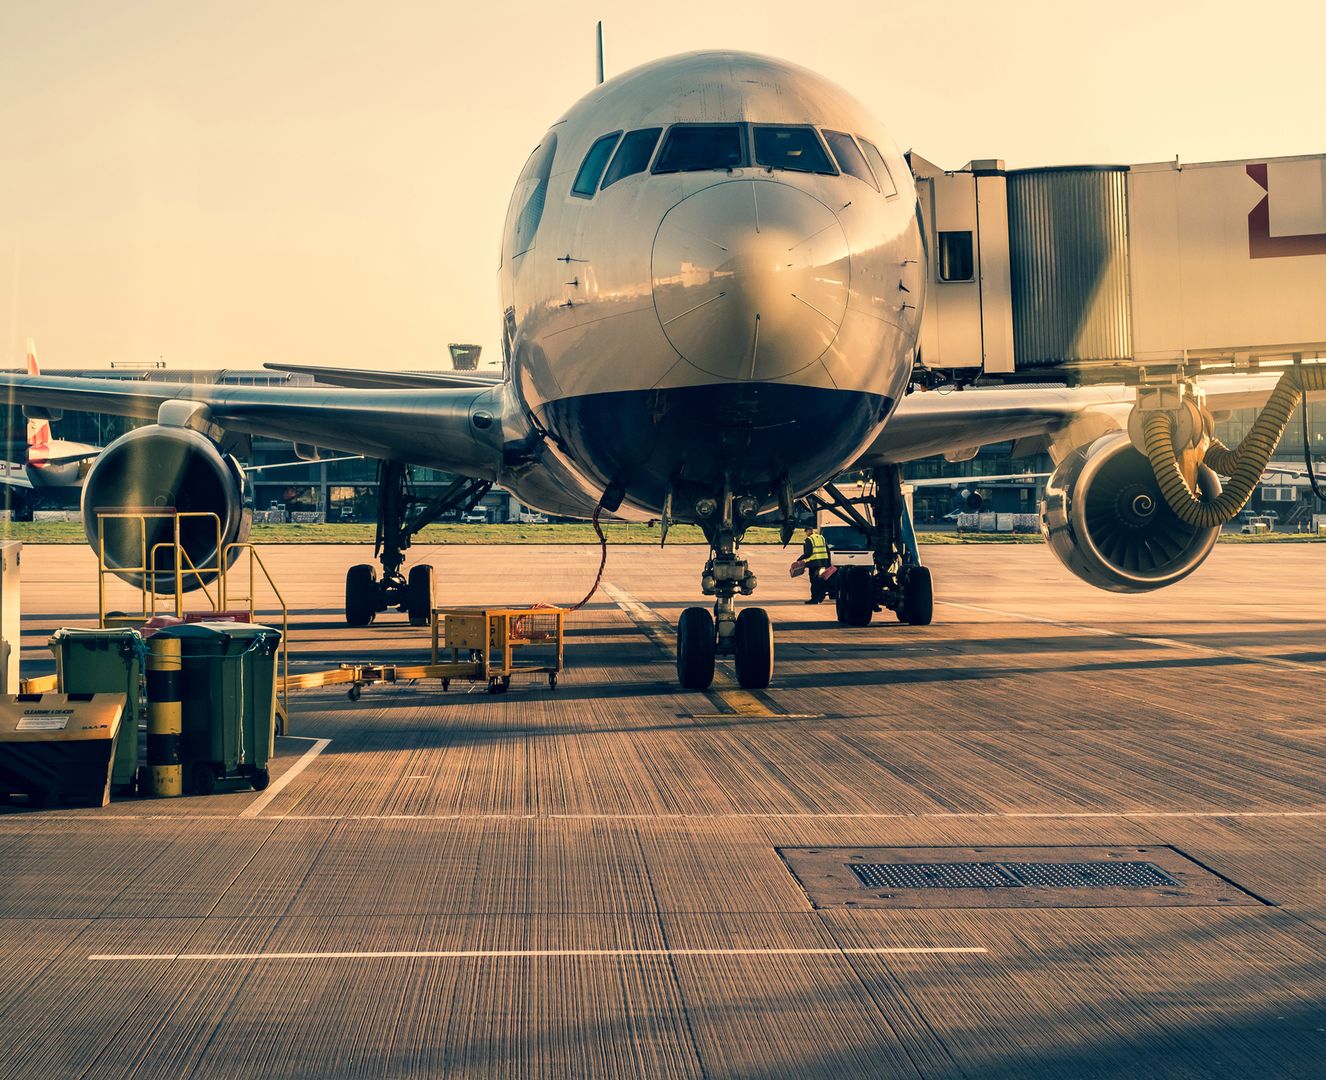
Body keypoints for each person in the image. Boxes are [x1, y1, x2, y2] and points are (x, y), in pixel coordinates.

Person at [801, 526, 831, 604]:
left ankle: (814, 599)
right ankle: (820, 596)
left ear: (807, 532)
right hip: (823, 562)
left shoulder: (809, 539)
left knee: (814, 582)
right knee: (820, 580)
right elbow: (828, 550)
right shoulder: (821, 537)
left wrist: (800, 559)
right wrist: (828, 563)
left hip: (814, 564)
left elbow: (808, 553)